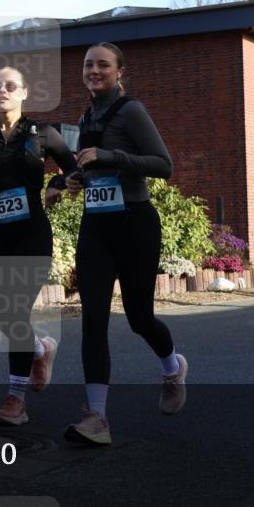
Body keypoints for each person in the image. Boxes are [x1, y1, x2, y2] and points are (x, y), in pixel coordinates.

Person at [62, 42, 188, 446]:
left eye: (103, 65)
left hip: (135, 223)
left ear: (119, 72)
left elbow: (162, 165)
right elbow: (97, 167)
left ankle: (172, 369)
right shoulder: (86, 116)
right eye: (88, 65)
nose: (94, 70)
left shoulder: (131, 110)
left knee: (138, 318)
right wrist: (76, 179)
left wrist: (110, 155)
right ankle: (97, 417)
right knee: (93, 319)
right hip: (96, 226)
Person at [0, 67, 79, 426]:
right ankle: (41, 349)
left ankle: (15, 399)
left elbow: (73, 170)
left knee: (16, 311)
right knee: (5, 317)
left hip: (31, 235)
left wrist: (56, 183)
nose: (2, 91)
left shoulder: (43, 133)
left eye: (10, 86)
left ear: (24, 92)